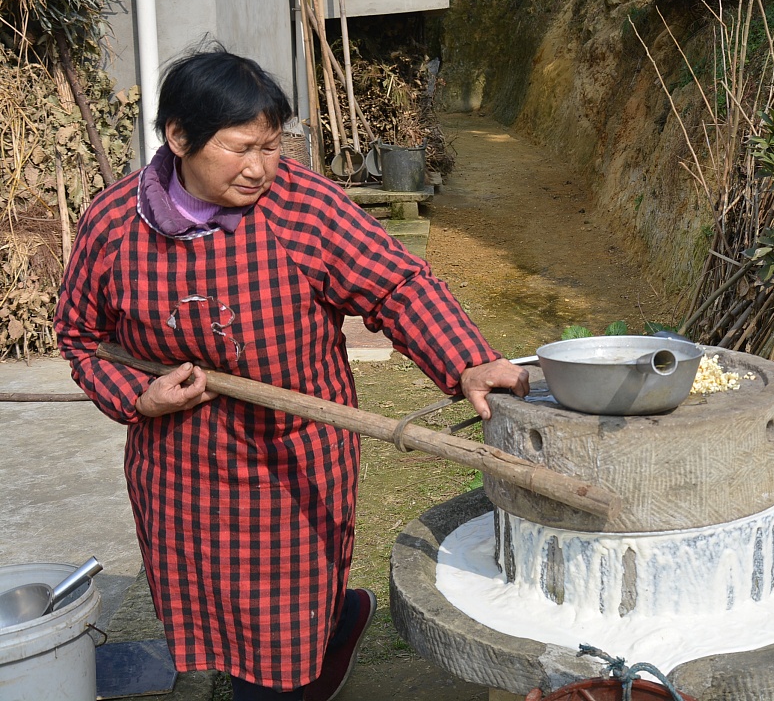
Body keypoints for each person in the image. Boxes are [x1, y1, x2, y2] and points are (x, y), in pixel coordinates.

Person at [54, 46, 529, 701]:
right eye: (240, 148)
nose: (260, 169)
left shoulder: (303, 208)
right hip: (178, 471)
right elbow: (79, 339)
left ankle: (317, 645)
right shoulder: (112, 226)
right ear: (179, 137)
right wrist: (140, 395)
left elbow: (398, 287)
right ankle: (331, 629)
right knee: (204, 600)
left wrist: (468, 360)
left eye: (271, 147)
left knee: (286, 622)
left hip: (292, 457)